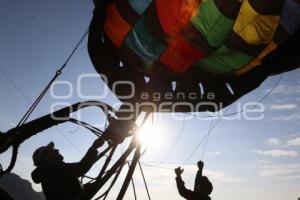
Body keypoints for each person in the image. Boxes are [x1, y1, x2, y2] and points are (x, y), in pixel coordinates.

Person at [31, 137, 105, 200]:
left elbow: (66, 189)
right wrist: (94, 147)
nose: (56, 150)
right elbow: (82, 167)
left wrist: (84, 188)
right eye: (50, 151)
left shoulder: (47, 173)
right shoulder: (55, 169)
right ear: (45, 158)